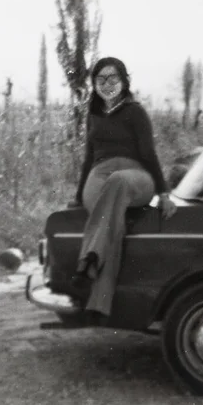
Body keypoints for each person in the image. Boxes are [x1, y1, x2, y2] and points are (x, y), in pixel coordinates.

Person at [68, 56, 177, 320]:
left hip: (135, 177)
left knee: (118, 184)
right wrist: (78, 196)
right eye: (100, 79)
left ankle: (88, 261)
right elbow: (88, 158)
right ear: (94, 84)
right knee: (112, 224)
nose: (106, 84)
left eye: (112, 78)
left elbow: (149, 153)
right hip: (99, 175)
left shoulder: (135, 111)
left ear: (124, 81)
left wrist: (163, 193)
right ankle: (99, 303)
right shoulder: (93, 115)